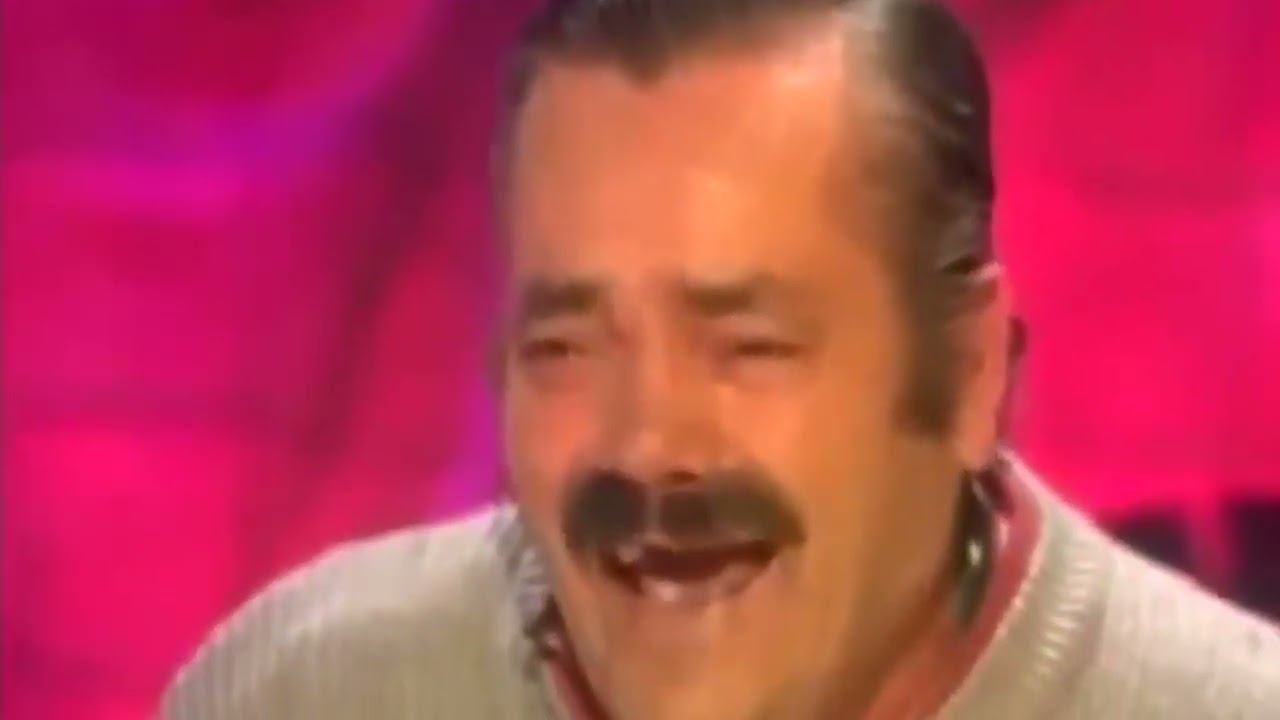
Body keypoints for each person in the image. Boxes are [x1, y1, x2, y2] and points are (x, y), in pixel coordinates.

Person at [162, 0, 1280, 717]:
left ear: (970, 374)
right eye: (565, 347)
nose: (648, 442)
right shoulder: (308, 691)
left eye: (747, 347)